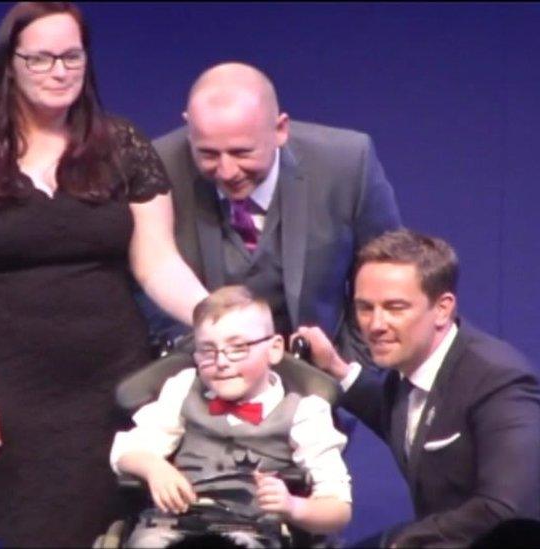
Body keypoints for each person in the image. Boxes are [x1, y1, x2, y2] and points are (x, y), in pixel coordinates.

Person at [0, 2, 208, 546]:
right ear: (9, 65)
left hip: (105, 391)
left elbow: (158, 261)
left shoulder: (124, 146)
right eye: (40, 59)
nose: (58, 71)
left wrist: (216, 320)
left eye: (71, 56)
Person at [295, 228, 540, 547]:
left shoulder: (499, 381)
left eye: (395, 307)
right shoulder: (409, 364)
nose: (376, 325)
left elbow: (506, 508)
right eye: (365, 307)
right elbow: (397, 416)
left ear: (442, 308)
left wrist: (405, 541)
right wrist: (336, 368)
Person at [148, 62, 401, 364]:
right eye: (208, 154)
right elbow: (143, 287)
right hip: (203, 374)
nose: (227, 172)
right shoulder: (158, 167)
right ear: (189, 129)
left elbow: (389, 274)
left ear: (280, 129)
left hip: (319, 377)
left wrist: (344, 374)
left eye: (243, 153)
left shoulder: (346, 164)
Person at [112, 286, 351, 548]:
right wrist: (153, 467)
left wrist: (294, 507)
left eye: (237, 348)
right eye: (208, 350)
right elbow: (126, 451)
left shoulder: (304, 411)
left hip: (254, 529)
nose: (222, 361)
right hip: (173, 523)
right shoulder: (183, 388)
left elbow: (338, 508)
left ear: (274, 349)